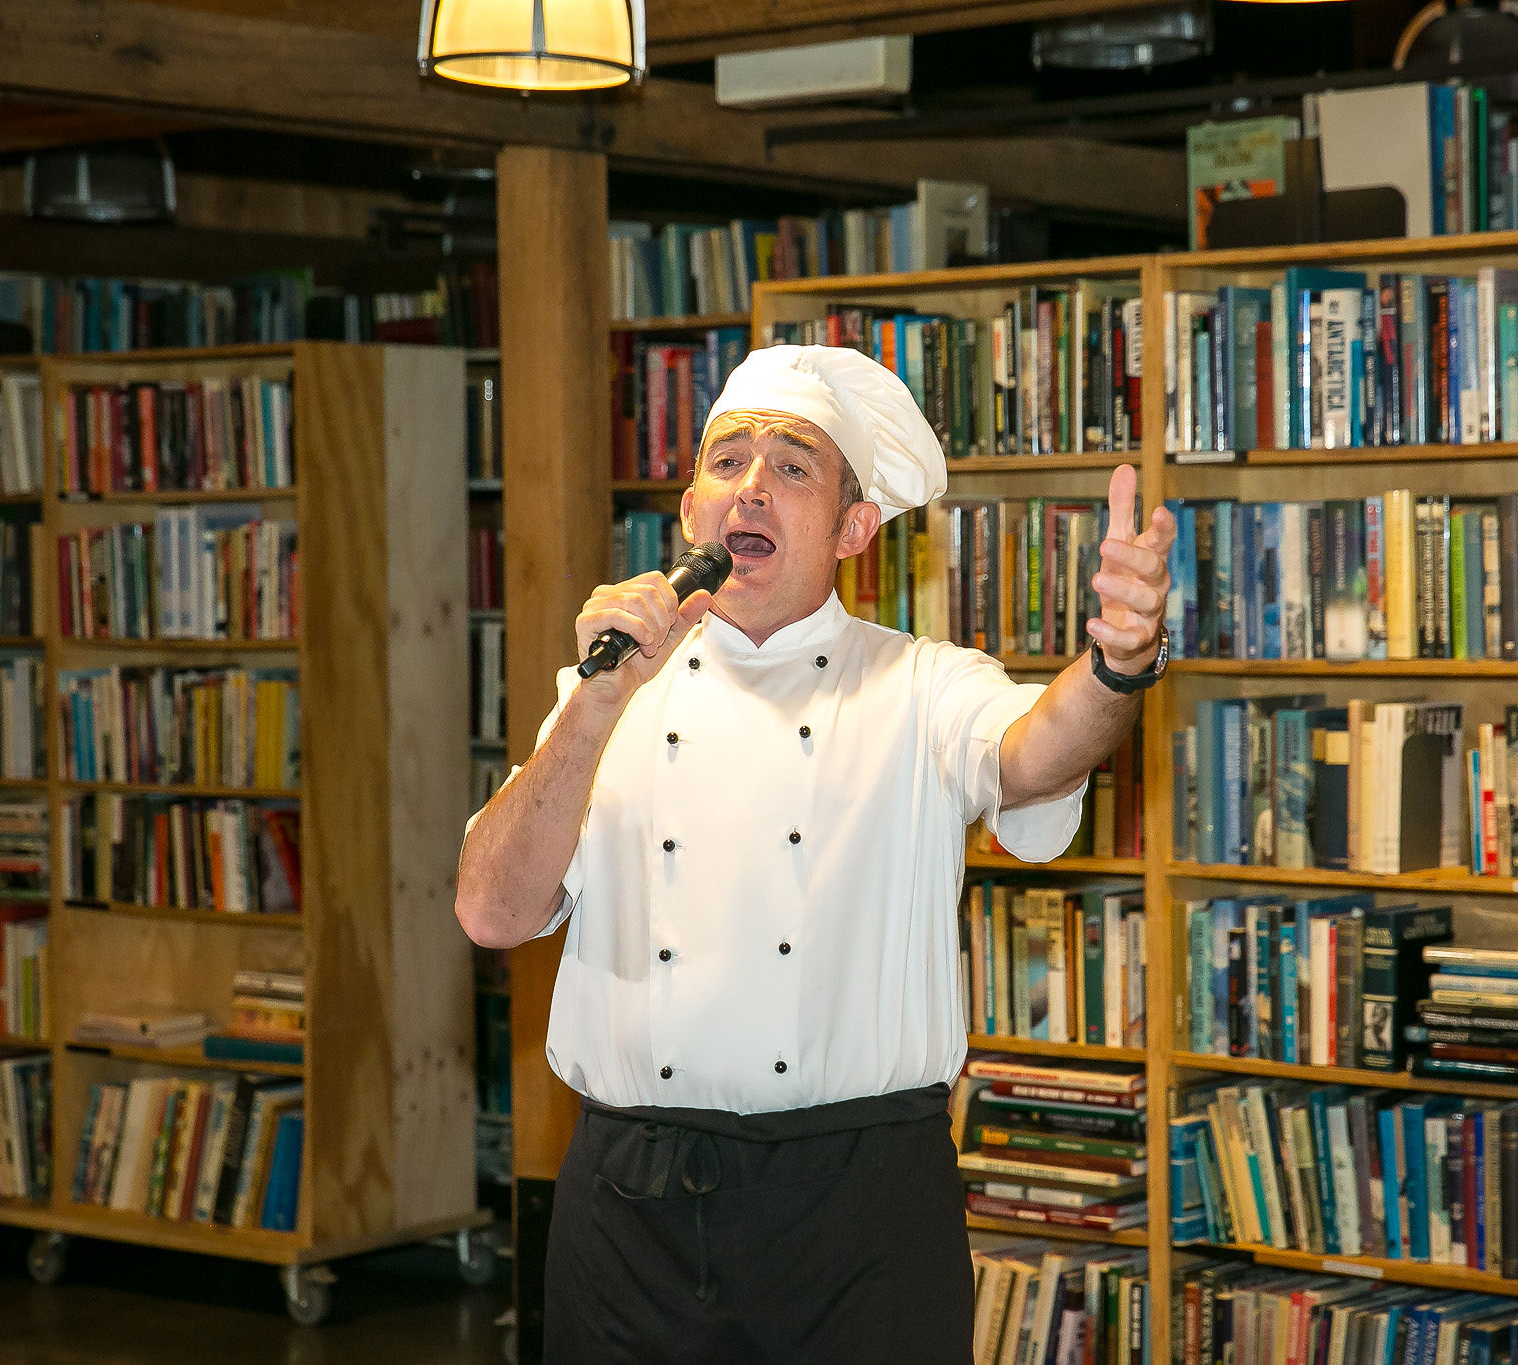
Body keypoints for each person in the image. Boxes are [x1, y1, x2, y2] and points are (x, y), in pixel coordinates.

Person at [455, 343, 1177, 1364]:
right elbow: (490, 912)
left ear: (851, 529)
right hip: (629, 1205)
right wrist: (593, 703)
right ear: (690, 511)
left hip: (859, 1208)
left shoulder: (923, 684)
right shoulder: (604, 698)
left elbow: (1031, 755)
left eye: (791, 466)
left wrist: (1116, 662)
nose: (750, 484)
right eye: (725, 461)